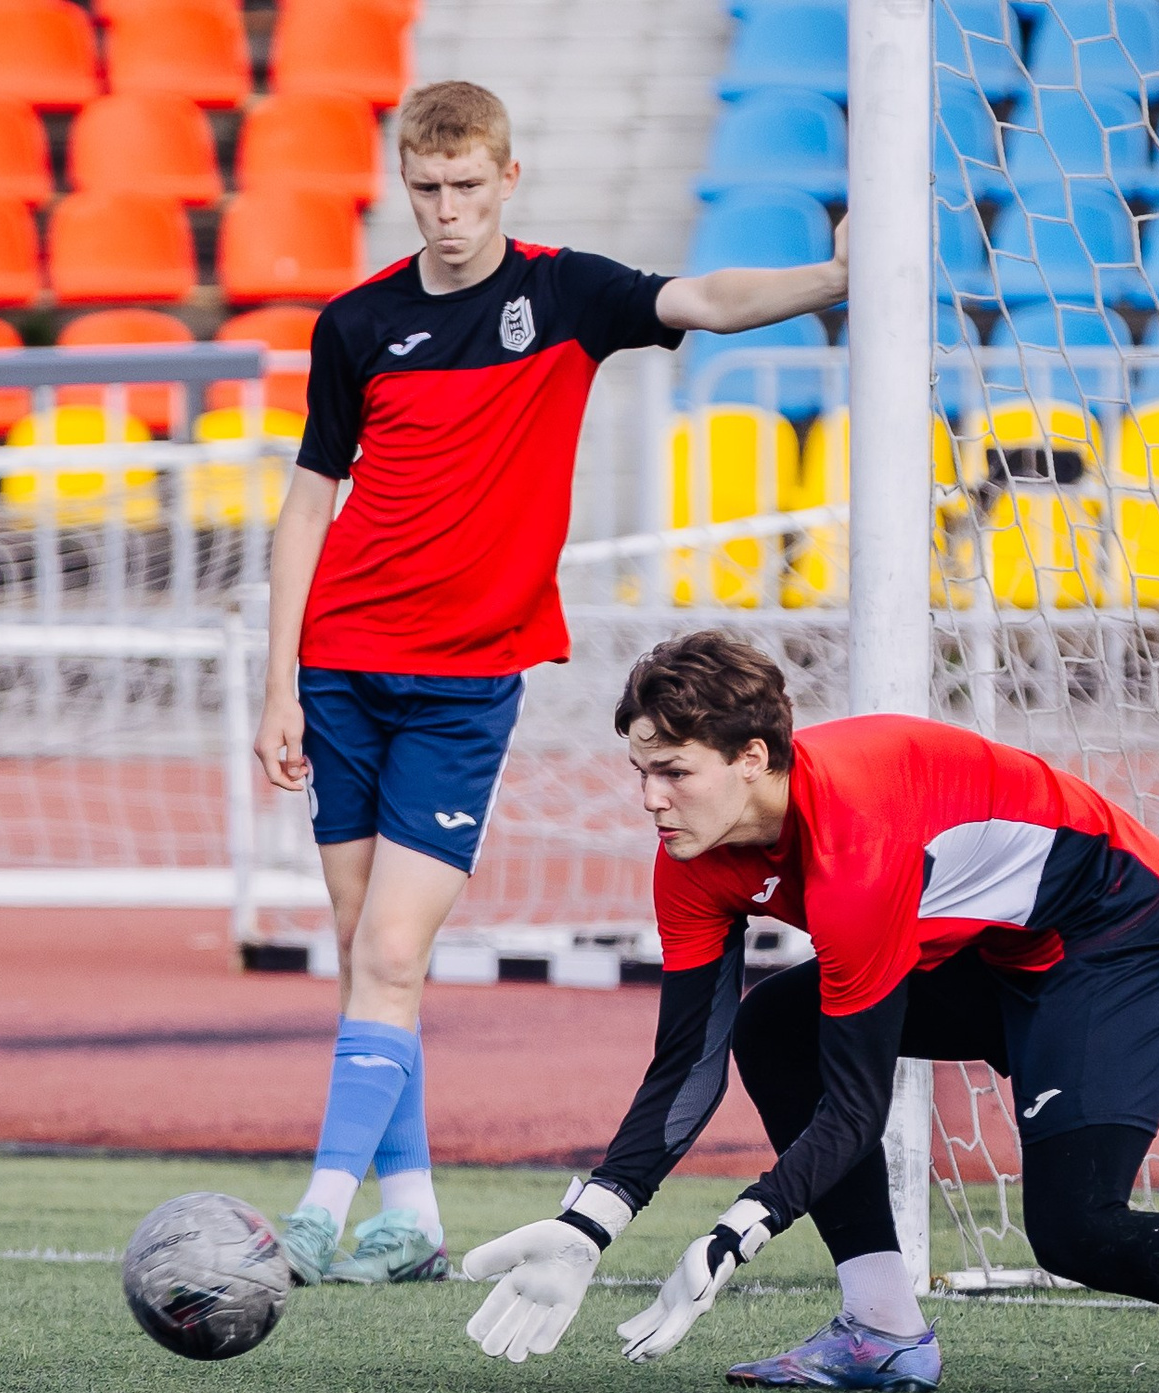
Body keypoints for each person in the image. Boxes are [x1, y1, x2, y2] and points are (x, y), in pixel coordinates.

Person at [460, 632, 1159, 1393]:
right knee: (774, 1027)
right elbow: (688, 1059)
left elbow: (855, 1111)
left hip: (1111, 936)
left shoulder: (854, 843)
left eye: (672, 770)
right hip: (987, 947)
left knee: (1076, 1226)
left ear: (755, 757)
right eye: (639, 769)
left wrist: (734, 1231)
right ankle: (882, 1330)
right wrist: (592, 1220)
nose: (648, 798)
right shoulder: (692, 854)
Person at [254, 84, 849, 1286]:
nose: (448, 212)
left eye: (468, 187)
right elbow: (308, 499)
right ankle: (410, 1209)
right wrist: (278, 682)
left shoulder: (562, 294)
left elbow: (706, 298)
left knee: (390, 950)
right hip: (338, 664)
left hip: (464, 682)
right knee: (369, 948)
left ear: (508, 179)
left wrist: (830, 284)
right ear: (405, 187)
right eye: (426, 190)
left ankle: (318, 1209)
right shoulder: (357, 323)